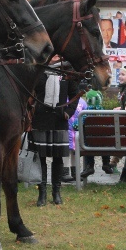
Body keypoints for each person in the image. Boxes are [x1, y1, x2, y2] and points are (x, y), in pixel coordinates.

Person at [29, 58, 79, 206]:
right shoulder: (38, 70)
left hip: (59, 119)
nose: (56, 56)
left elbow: (75, 94)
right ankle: (42, 193)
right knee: (41, 158)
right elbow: (29, 92)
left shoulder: (66, 72)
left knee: (58, 158)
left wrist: (68, 112)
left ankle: (56, 193)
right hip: (40, 119)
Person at [79, 86, 114, 178]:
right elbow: (111, 127)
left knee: (87, 142)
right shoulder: (105, 114)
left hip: (89, 145)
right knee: (105, 141)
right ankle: (106, 163)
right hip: (104, 144)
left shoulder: (84, 114)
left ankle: (89, 166)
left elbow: (76, 125)